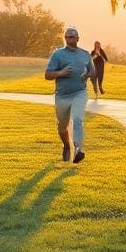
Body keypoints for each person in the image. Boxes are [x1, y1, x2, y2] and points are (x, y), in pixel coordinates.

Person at [45, 26, 93, 164]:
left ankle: (78, 149)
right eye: (67, 37)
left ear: (78, 38)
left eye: (72, 36)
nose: (69, 39)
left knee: (78, 119)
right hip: (62, 95)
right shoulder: (58, 54)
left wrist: (87, 75)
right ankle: (66, 146)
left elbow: (93, 71)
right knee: (62, 126)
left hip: (80, 92)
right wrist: (61, 73)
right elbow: (47, 75)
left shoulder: (85, 54)